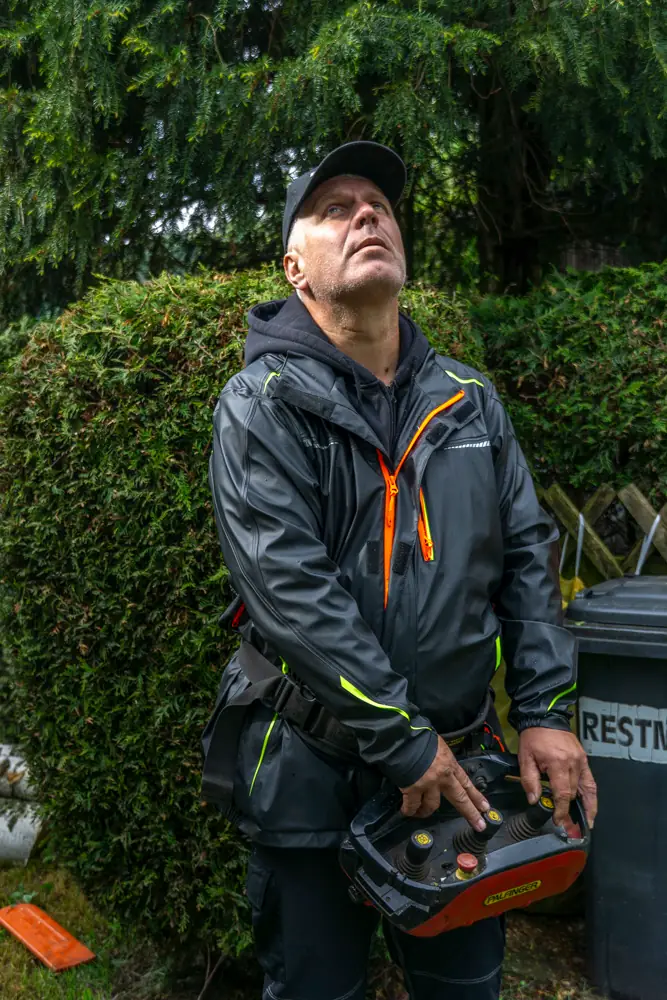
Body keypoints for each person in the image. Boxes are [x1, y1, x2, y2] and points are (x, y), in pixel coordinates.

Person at [205, 141, 597, 1000]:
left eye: (377, 204)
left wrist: (543, 710)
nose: (366, 215)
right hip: (309, 772)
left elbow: (527, 561)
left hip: (463, 771)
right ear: (294, 266)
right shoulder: (260, 403)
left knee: (464, 988)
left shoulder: (470, 402)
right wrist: (402, 740)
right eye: (335, 208)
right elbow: (290, 591)